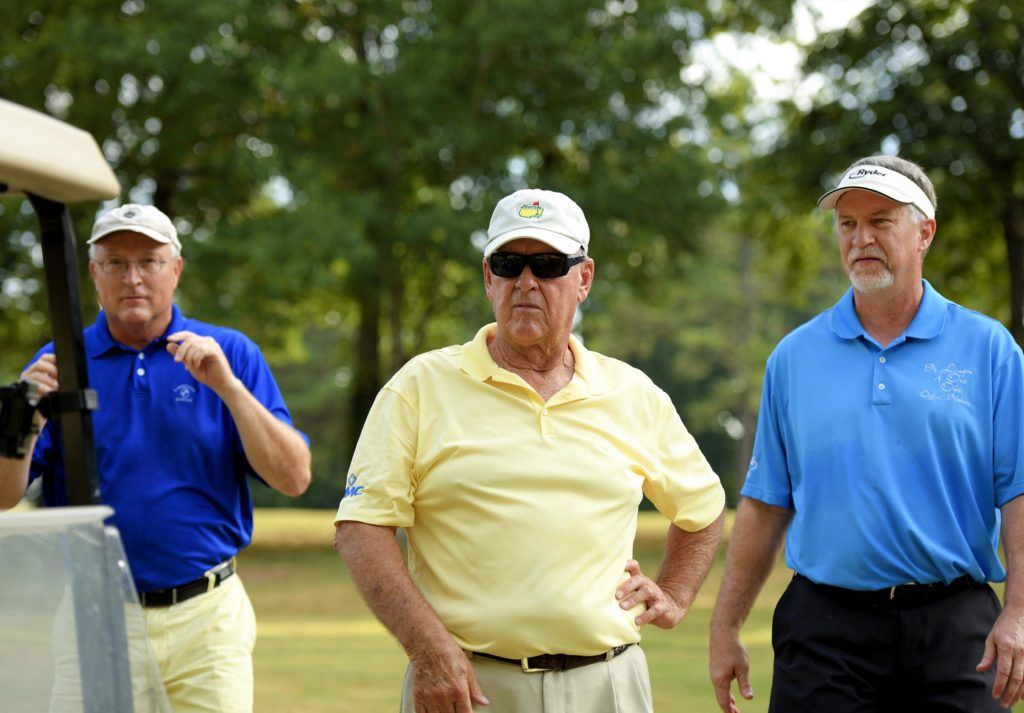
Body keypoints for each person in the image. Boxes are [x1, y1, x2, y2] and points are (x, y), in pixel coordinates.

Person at [334, 188, 726, 713]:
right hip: (466, 687)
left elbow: (702, 510)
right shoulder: (419, 386)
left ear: (583, 278)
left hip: (608, 685)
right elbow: (361, 528)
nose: (526, 282)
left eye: (547, 265)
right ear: (488, 277)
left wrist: (675, 594)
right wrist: (426, 648)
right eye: (509, 263)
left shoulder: (633, 393)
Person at [709, 156, 1024, 712]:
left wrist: (1019, 612)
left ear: (924, 231)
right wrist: (725, 624)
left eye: (881, 221)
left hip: (956, 630)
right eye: (847, 224)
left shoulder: (990, 349)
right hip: (825, 632)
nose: (861, 239)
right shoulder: (793, 358)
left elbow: (1018, 492)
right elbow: (764, 504)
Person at [0, 204, 312, 712]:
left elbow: (295, 477)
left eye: (148, 261)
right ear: (94, 273)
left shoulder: (228, 353)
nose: (133, 278)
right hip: (91, 616)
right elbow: (3, 496)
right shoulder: (58, 364)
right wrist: (28, 417)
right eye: (116, 263)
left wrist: (228, 388)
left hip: (207, 618)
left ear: (176, 269)